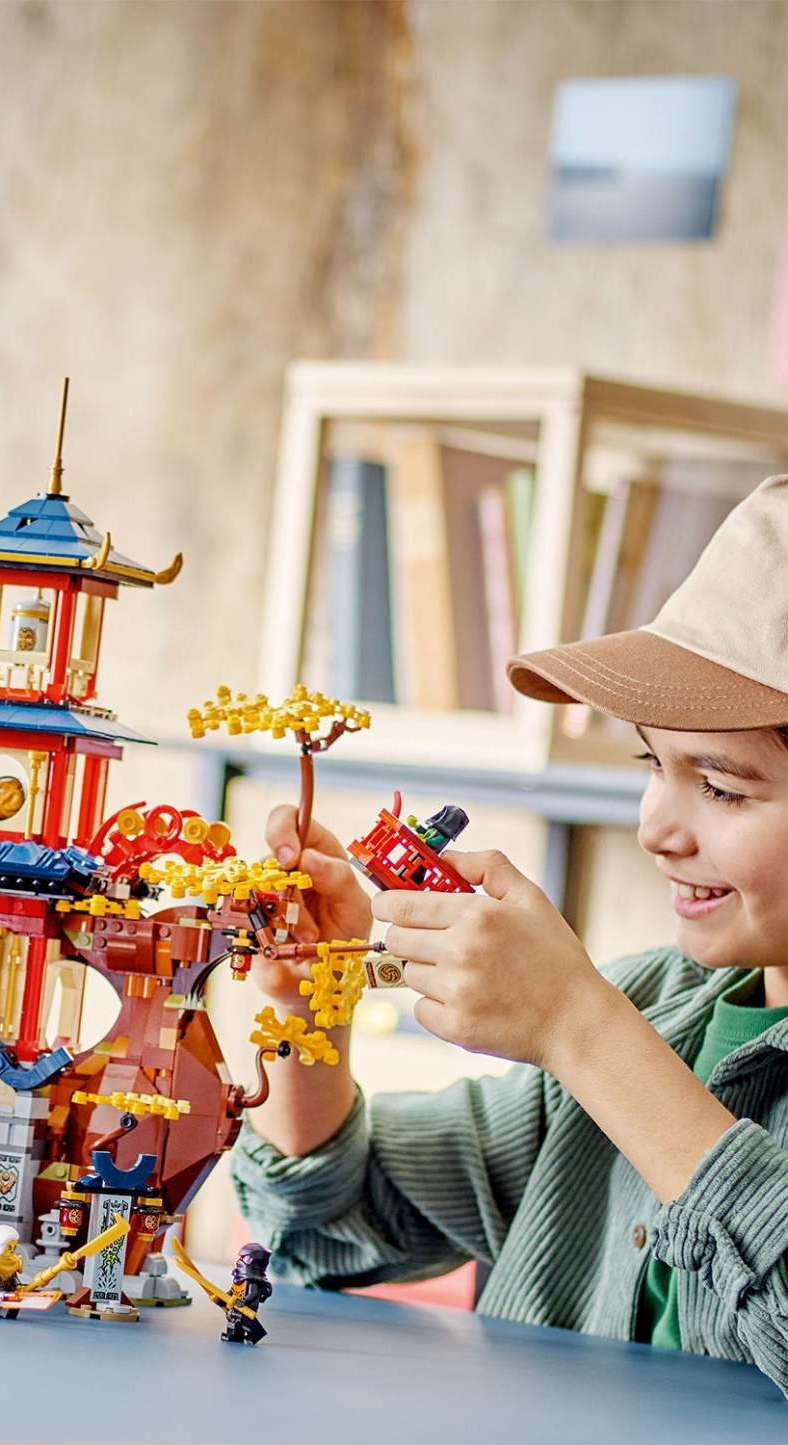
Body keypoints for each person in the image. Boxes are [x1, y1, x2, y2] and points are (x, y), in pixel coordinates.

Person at [233, 474, 788, 1397]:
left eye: (721, 787)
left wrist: (575, 1025)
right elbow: (328, 1223)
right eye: (652, 762)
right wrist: (306, 1004)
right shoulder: (653, 1007)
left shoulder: (604, 1026)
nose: (654, 827)